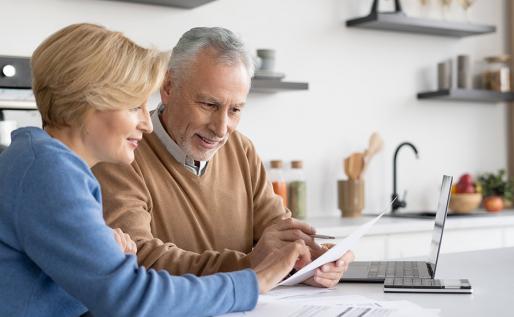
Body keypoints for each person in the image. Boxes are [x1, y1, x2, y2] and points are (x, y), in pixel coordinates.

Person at [0, 23, 311, 317]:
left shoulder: (44, 163)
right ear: (90, 103)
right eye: (135, 105)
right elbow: (131, 296)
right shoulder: (47, 171)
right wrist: (252, 282)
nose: (147, 122)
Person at [92, 27, 353, 287]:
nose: (221, 128)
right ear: (169, 87)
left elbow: (279, 232)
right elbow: (140, 258)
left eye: (235, 109)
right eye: (209, 105)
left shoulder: (241, 149)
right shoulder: (122, 153)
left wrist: (312, 261)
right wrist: (251, 265)